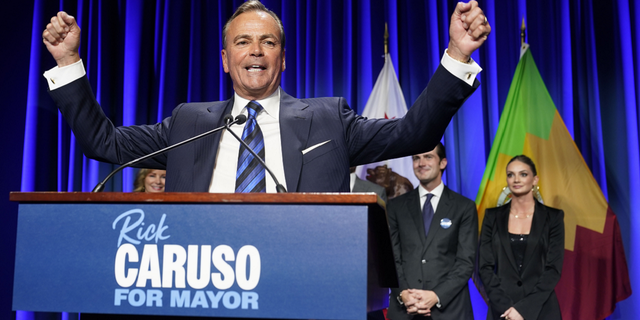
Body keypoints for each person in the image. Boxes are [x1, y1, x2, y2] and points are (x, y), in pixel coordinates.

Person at [41, 1, 490, 193]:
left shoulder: (329, 119)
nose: (255, 51)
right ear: (224, 59)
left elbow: (415, 132)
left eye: (267, 42)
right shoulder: (187, 123)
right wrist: (67, 64)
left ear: (283, 58)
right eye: (242, 42)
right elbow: (105, 145)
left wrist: (455, 55)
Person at [387, 143, 478, 320]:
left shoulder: (464, 207)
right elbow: (392, 258)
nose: (421, 163)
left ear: (442, 163)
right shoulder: (395, 207)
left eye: (428, 157)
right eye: (416, 158)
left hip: (450, 311)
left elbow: (465, 263)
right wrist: (404, 294)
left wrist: (436, 296)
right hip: (406, 310)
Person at [477, 155, 564, 320]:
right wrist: (506, 308)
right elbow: (485, 268)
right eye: (510, 175)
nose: (516, 179)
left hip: (542, 310)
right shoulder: (492, 217)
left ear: (535, 179)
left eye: (523, 174)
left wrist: (524, 309)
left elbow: (553, 270)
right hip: (502, 312)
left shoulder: (553, 218)